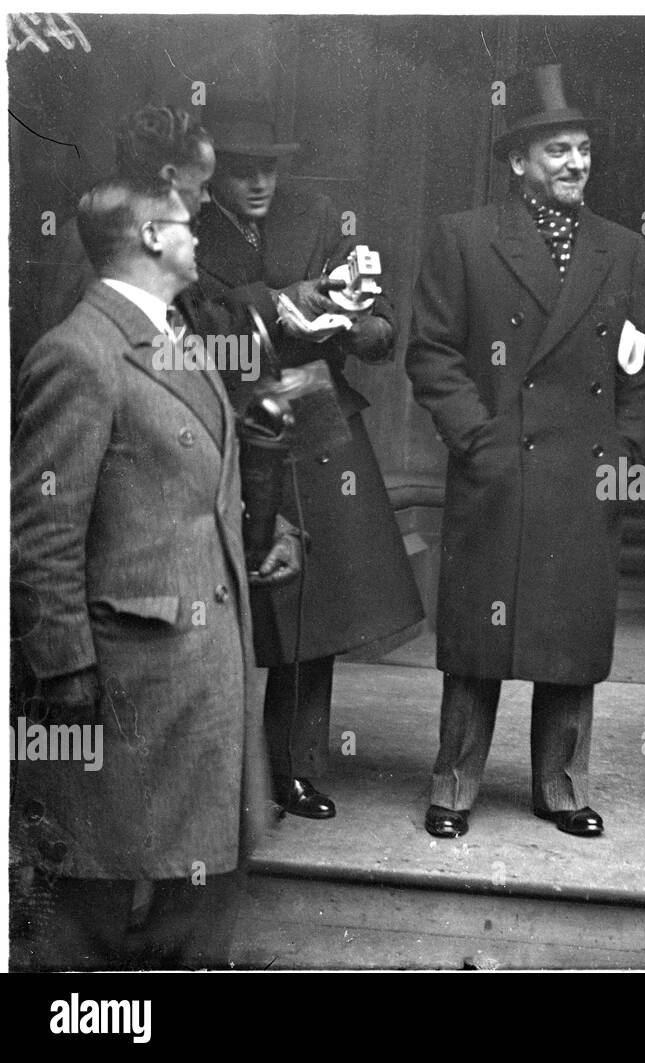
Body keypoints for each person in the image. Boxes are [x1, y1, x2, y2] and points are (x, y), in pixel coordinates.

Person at [10, 176, 300, 969]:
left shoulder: (174, 335)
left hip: (202, 670)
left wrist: (261, 538)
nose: (200, 233)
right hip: (130, 679)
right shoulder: (79, 352)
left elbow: (190, 483)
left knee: (196, 898)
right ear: (148, 238)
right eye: (187, 221)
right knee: (91, 906)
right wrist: (67, 676)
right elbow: (39, 535)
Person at [406, 63, 645, 839]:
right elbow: (432, 354)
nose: (577, 163)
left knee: (570, 640)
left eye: (583, 148)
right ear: (518, 161)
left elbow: (639, 367)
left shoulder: (623, 248)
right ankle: (454, 786)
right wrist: (480, 442)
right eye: (558, 150)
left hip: (585, 473)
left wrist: (622, 451)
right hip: (498, 468)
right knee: (479, 642)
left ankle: (562, 786)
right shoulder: (465, 236)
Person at [194, 97, 424, 821]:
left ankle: (294, 767)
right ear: (212, 173)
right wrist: (278, 302)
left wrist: (361, 327)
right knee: (230, 602)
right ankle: (219, 774)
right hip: (227, 418)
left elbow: (383, 322)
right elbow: (197, 328)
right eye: (241, 171)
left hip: (318, 413)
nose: (259, 183)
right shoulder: (186, 228)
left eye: (269, 168)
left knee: (312, 609)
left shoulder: (317, 215)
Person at [34, 104, 216, 335]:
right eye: (202, 186)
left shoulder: (145, 233)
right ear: (170, 177)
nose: (207, 198)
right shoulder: (106, 242)